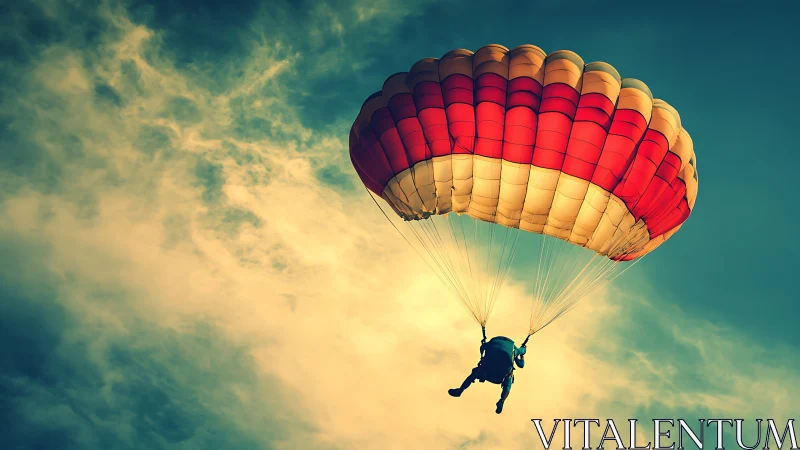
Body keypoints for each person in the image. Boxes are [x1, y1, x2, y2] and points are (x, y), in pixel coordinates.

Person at [448, 336, 526, 414]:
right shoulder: (514, 349)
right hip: (500, 376)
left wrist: (483, 348)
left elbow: (482, 348)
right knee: (509, 379)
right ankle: (502, 401)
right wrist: (522, 355)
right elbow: (521, 364)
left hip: (486, 372)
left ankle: (460, 390)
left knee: (474, 373)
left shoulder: (491, 343)